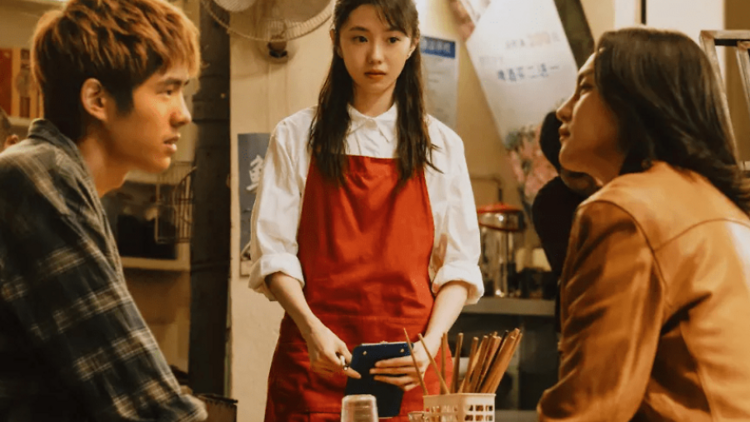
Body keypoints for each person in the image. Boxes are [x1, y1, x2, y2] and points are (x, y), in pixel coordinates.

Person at [247, 0, 483, 420]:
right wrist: (310, 327)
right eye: (360, 38)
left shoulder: (442, 146)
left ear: (411, 45)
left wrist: (428, 346)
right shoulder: (296, 136)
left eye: (392, 39)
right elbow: (274, 253)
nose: (376, 55)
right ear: (336, 41)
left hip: (413, 370)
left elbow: (459, 267)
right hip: (316, 361)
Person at [0, 1, 207, 421]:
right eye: (166, 90)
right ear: (97, 98)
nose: (183, 114)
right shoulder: (37, 176)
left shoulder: (64, 179)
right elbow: (148, 402)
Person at [537, 27, 750, 421]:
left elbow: (592, 407)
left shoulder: (624, 209)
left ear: (636, 103)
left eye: (584, 89)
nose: (562, 110)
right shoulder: (721, 206)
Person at [532, 111, 597, 279]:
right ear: (559, 173)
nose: (596, 181)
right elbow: (575, 276)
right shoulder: (550, 204)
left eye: (595, 166)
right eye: (578, 175)